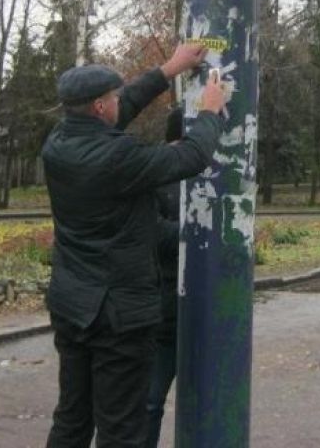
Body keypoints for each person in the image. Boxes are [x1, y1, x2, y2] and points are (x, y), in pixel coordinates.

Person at [42, 44, 225, 448]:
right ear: (98, 108)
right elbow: (191, 158)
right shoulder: (117, 156)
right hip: (117, 318)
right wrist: (210, 112)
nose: (117, 103)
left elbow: (124, 109)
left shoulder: (58, 142)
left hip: (73, 307)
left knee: (72, 419)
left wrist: (169, 70)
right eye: (111, 98)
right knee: (121, 430)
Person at [144, 107, 184, 448]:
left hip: (199, 314)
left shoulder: (214, 176)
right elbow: (151, 234)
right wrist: (199, 233)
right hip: (164, 314)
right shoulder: (154, 176)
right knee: (148, 403)